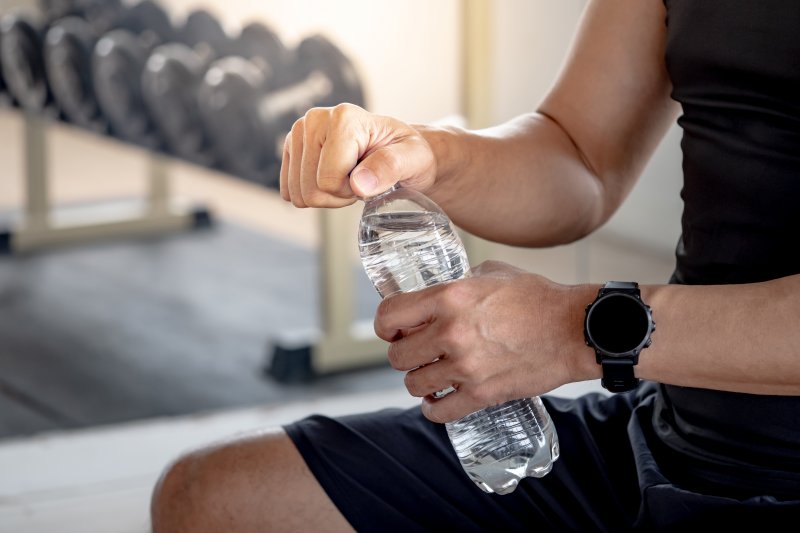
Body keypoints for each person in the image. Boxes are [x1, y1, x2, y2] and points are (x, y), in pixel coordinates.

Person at [149, 0, 800, 530]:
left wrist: (574, 328)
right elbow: (581, 156)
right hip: (675, 437)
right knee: (214, 498)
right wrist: (429, 155)